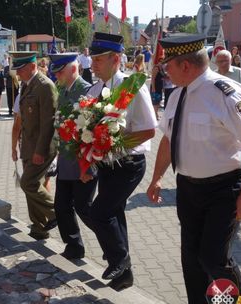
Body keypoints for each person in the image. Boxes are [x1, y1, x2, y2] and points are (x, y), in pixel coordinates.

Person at [146, 35, 241, 304]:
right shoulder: (177, 95)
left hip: (223, 190)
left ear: (186, 65)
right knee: (191, 258)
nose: (166, 72)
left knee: (214, 258)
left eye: (169, 67)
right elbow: (168, 139)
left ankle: (239, 301)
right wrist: (156, 178)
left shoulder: (225, 92)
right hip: (188, 189)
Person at [87, 32, 157, 292]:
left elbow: (149, 130)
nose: (92, 64)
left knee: (99, 212)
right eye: (92, 58)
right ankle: (124, 274)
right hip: (107, 164)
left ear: (116, 59)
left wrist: (115, 145)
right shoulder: (95, 89)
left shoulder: (132, 86)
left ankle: (118, 258)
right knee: (114, 213)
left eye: (98, 59)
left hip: (129, 163)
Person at [49, 53, 96, 260]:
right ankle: (74, 246)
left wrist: (88, 167)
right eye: (55, 72)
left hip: (82, 162)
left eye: (60, 71)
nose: (57, 75)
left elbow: (92, 131)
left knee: (85, 209)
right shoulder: (61, 89)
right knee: (61, 206)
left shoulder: (86, 90)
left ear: (73, 69)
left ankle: (111, 240)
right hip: (66, 161)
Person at [9, 51, 57, 241]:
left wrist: (40, 151)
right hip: (28, 145)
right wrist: (17, 146)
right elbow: (21, 120)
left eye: (20, 69)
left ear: (32, 66)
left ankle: (57, 212)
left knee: (27, 182)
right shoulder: (27, 86)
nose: (18, 73)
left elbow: (49, 123)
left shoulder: (45, 86)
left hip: (41, 147)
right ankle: (39, 227)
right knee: (32, 188)